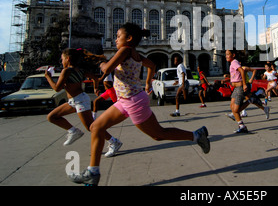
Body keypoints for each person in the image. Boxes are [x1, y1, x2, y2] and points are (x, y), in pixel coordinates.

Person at [68, 23, 210, 186]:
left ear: (128, 39)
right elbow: (152, 65)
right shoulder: (133, 53)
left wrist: (97, 61)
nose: (115, 39)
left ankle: (197, 135)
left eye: (118, 36)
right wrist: (148, 82)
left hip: (133, 101)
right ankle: (92, 172)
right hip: (126, 100)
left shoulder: (126, 50)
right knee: (96, 127)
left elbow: (106, 69)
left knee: (158, 134)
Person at [46, 48, 122, 158]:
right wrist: (95, 88)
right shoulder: (79, 70)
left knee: (92, 127)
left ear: (68, 59)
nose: (61, 61)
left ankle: (114, 141)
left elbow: (57, 88)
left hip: (80, 101)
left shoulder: (66, 71)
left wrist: (48, 76)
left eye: (62, 59)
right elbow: (95, 78)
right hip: (74, 101)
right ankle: (73, 131)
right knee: (52, 116)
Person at [226, 49, 249, 133]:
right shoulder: (232, 63)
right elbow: (235, 75)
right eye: (226, 54)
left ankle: (250, 100)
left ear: (233, 55)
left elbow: (242, 71)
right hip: (235, 88)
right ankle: (241, 126)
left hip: (239, 87)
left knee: (235, 110)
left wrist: (244, 84)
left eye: (228, 54)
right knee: (232, 107)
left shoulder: (234, 62)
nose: (226, 56)